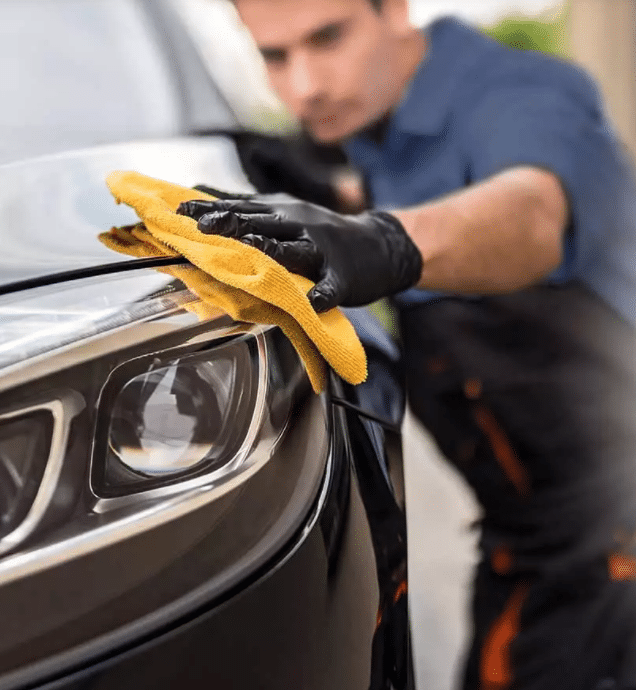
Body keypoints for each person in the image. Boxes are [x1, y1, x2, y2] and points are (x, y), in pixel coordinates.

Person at [177, 0, 636, 688]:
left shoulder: (521, 91)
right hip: (530, 548)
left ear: (393, 9)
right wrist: (334, 196)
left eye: (327, 38)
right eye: (274, 57)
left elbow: (532, 211)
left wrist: (387, 242)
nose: (306, 86)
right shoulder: (378, 132)